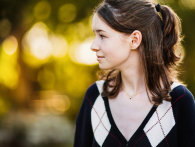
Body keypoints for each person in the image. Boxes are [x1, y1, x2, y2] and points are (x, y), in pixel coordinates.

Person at [74, 0, 195, 146]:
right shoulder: (94, 97)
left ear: (134, 40)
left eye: (102, 36)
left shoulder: (178, 101)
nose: (93, 46)